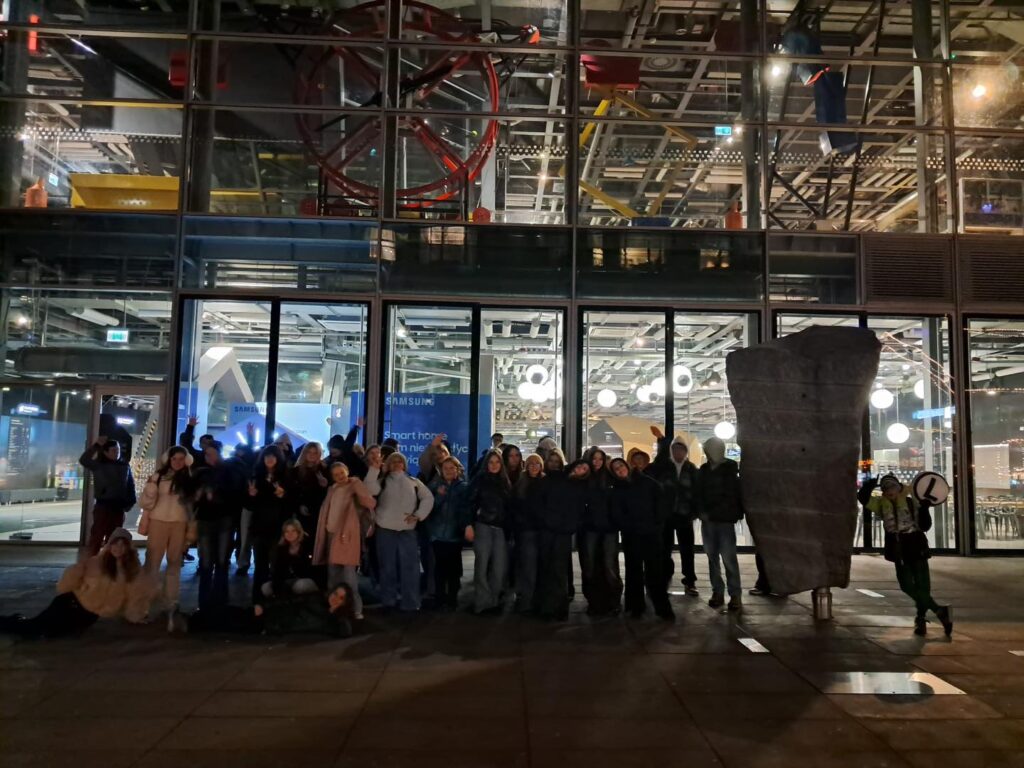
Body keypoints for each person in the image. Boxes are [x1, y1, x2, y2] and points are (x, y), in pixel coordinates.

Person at [0, 528, 155, 638]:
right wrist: (79, 568)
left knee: (47, 632)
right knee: (36, 631)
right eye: (115, 543)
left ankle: (15, 620)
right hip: (70, 603)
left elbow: (136, 596)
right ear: (109, 545)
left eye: (123, 544)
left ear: (128, 547)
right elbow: (70, 579)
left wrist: (137, 615)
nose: (118, 548)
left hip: (88, 617)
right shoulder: (97, 562)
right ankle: (9, 622)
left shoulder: (132, 571)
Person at [859, 474, 953, 637]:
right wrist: (868, 486)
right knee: (906, 585)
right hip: (898, 549)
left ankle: (921, 619)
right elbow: (863, 498)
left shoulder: (911, 502)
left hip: (916, 545)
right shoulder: (881, 504)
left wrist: (924, 509)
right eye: (885, 488)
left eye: (892, 487)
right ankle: (939, 611)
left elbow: (925, 525)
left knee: (922, 586)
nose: (889, 491)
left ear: (899, 488)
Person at [610, 456, 673, 620]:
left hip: (651, 534)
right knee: (634, 571)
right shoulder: (617, 489)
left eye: (620, 465)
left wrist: (657, 524)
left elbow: (661, 504)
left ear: (627, 465)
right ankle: (636, 606)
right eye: (615, 469)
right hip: (632, 536)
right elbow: (617, 513)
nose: (619, 469)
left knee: (655, 572)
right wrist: (627, 526)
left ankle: (662, 608)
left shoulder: (648, 482)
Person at [313, 462, 377, 620]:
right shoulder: (332, 489)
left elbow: (370, 503)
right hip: (331, 535)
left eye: (341, 472)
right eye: (336, 475)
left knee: (349, 576)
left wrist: (357, 485)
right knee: (333, 575)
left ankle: (356, 609)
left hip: (347, 536)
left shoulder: (354, 485)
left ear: (347, 471)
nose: (340, 476)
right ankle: (334, 608)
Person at [372, 452, 433, 612]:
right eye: (393, 461)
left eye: (400, 461)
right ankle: (388, 600)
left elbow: (428, 498)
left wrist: (418, 515)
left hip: (407, 530)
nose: (397, 464)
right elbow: (370, 490)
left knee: (410, 567)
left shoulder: (414, 482)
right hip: (385, 529)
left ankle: (411, 602)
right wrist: (374, 470)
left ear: (405, 465)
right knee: (387, 567)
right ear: (388, 464)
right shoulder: (382, 481)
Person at [139, 445, 193, 623]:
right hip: (158, 521)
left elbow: (191, 506)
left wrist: (191, 529)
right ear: (168, 459)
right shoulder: (158, 476)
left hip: (179, 523)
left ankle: (171, 603)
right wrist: (151, 489)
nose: (177, 462)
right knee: (152, 563)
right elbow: (146, 503)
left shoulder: (189, 478)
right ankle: (144, 604)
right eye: (174, 458)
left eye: (181, 459)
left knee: (174, 563)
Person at [185, 583, 355, 638]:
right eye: (335, 594)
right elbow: (288, 600)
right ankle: (193, 618)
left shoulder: (332, 620)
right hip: (271, 615)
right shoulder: (316, 598)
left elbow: (345, 631)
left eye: (340, 598)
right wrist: (264, 606)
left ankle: (193, 622)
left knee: (229, 623)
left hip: (272, 626)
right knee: (231, 613)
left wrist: (335, 612)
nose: (335, 598)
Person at [192, 440, 245, 609]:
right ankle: (205, 602)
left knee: (221, 560)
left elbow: (235, 492)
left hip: (224, 518)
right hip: (206, 518)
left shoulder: (229, 470)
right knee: (206, 561)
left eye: (212, 453)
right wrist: (200, 495)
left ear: (219, 453)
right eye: (207, 454)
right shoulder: (201, 472)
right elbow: (192, 494)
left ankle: (220, 600)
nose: (209, 456)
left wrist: (215, 494)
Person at [535, 453, 588, 620]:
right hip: (552, 529)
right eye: (579, 466)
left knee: (557, 569)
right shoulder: (553, 480)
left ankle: (555, 608)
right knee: (550, 568)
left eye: (584, 469)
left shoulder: (575, 485)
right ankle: (551, 606)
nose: (554, 464)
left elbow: (578, 509)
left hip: (559, 530)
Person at [650, 427, 700, 596]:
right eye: (675, 449)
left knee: (687, 550)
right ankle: (664, 579)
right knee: (664, 549)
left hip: (685, 516)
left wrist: (694, 512)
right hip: (666, 515)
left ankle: (690, 581)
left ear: (686, 451)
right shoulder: (664, 467)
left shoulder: (691, 469)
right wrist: (661, 440)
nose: (679, 452)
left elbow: (697, 492)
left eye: (682, 449)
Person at [697, 437, 743, 612]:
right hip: (711, 520)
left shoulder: (729, 470)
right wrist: (701, 511)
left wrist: (706, 512)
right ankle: (719, 591)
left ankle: (733, 593)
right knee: (713, 558)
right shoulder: (705, 470)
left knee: (727, 558)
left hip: (723, 520)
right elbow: (698, 493)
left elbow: (731, 496)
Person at [468, 450, 512, 614]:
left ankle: (493, 601)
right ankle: (482, 603)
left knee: (499, 568)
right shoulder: (479, 480)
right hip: (483, 526)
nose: (494, 465)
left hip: (500, 528)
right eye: (491, 462)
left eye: (497, 462)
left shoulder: (505, 481)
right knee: (482, 565)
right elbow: (470, 502)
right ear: (486, 464)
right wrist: (468, 524)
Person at [580, 447, 622, 616]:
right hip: (590, 527)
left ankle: (614, 601)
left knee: (609, 564)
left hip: (609, 528)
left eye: (600, 459)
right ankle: (593, 601)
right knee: (589, 565)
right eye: (594, 459)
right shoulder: (585, 478)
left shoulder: (610, 478)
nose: (597, 462)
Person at [248, 445, 292, 604]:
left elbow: (291, 502)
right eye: (267, 456)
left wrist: (283, 495)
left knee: (277, 566)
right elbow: (250, 505)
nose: (270, 459)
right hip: (260, 526)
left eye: (273, 456)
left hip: (278, 527)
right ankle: (258, 602)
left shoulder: (285, 477)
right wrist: (252, 495)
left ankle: (276, 603)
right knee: (260, 566)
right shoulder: (257, 476)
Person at [79, 436, 137, 555]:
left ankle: (110, 561)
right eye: (114, 450)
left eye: (118, 450)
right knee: (97, 535)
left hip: (118, 507)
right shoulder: (99, 465)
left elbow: (130, 485)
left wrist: (130, 502)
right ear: (105, 452)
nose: (117, 453)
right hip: (103, 506)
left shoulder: (124, 466)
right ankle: (91, 560)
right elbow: (84, 460)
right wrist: (96, 446)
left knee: (114, 538)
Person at [427, 456, 471, 610]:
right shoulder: (434, 486)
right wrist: (439, 496)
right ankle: (439, 598)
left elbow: (466, 509)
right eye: (445, 468)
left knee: (454, 569)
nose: (449, 471)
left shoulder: (464, 487)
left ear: (457, 470)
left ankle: (452, 599)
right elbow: (429, 509)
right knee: (439, 568)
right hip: (438, 534)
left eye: (452, 468)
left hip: (455, 535)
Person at [512, 453, 545, 613]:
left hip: (540, 529)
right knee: (527, 565)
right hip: (526, 530)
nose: (534, 466)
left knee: (535, 566)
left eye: (537, 464)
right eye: (531, 464)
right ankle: (527, 600)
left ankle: (531, 599)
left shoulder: (544, 482)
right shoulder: (521, 482)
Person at [262, 518, 318, 600]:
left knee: (300, 586)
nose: (290, 534)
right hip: (288, 580)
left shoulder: (308, 544)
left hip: (306, 579)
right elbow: (278, 571)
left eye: (293, 531)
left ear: (298, 531)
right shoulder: (282, 548)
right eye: (287, 531)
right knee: (266, 588)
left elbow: (311, 569)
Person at [290, 441, 330, 533]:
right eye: (309, 452)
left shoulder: (325, 470)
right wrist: (299, 505)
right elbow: (293, 492)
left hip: (319, 511)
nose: (312, 455)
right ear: (305, 453)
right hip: (300, 510)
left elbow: (329, 492)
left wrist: (325, 485)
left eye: (315, 453)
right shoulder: (296, 471)